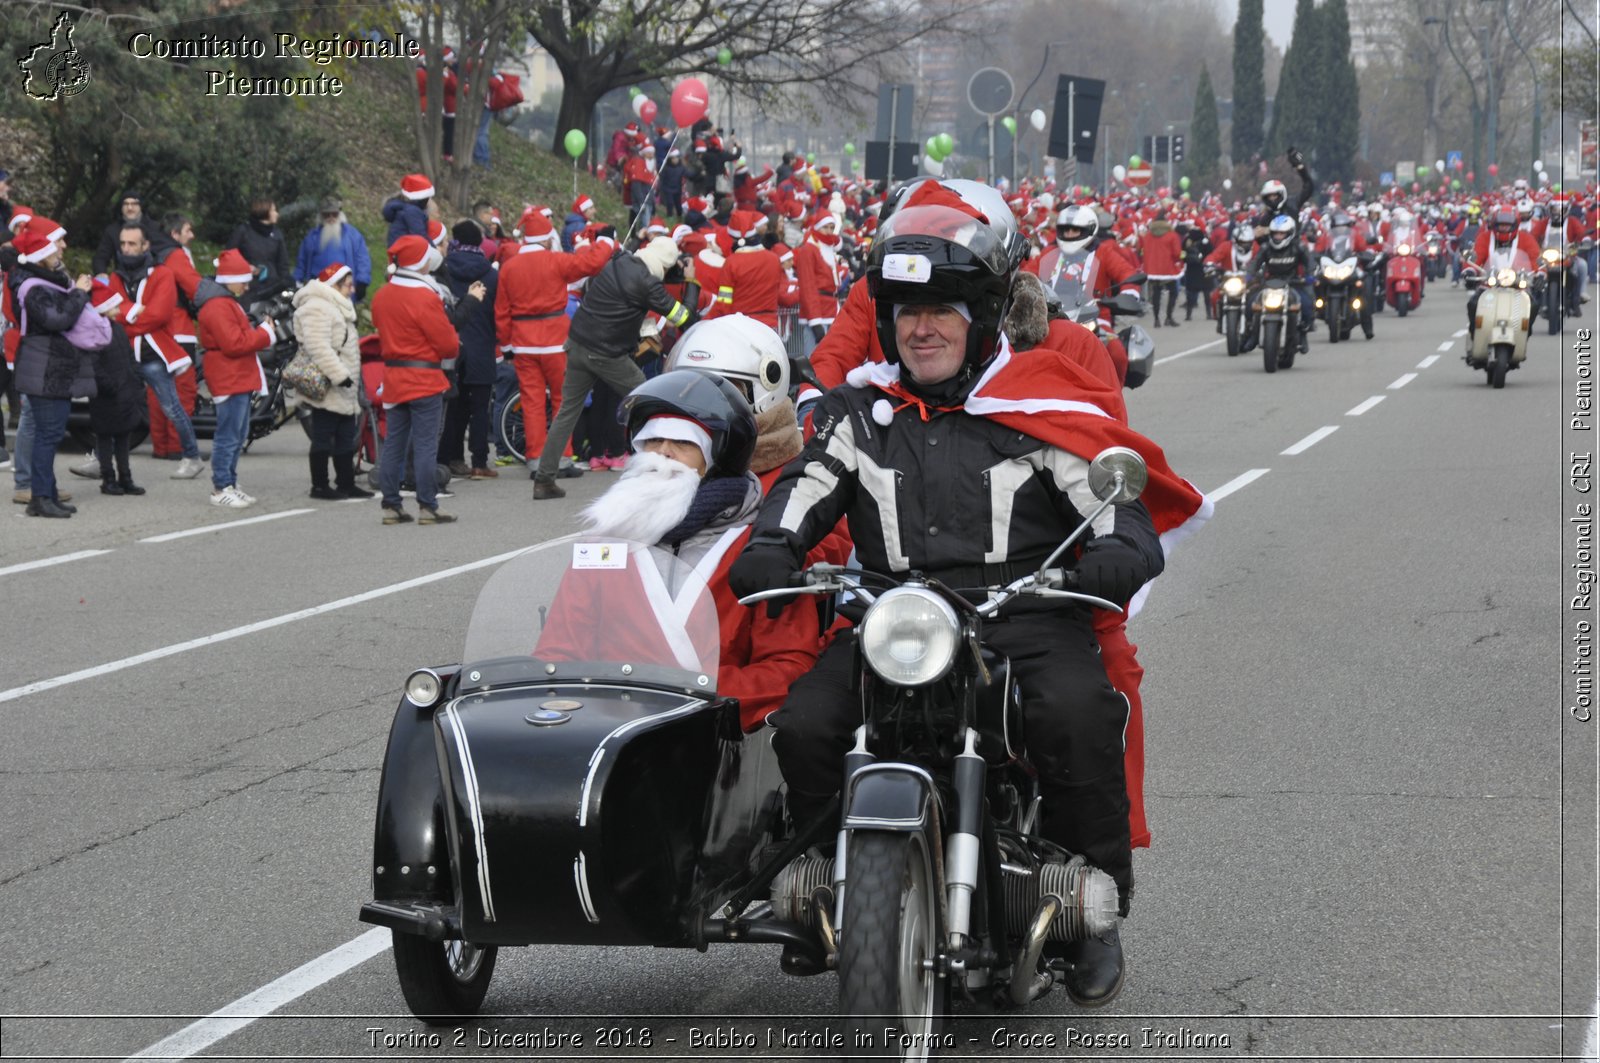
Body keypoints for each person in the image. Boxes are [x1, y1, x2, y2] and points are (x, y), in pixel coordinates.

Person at [727, 183, 1209, 1005]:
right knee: (806, 723)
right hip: (894, 619)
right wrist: (772, 542)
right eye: (907, 309)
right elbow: (806, 487)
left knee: (1077, 713)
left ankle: (1090, 909)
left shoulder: (1038, 404)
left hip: (1019, 615)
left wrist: (1118, 551)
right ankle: (825, 887)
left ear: (984, 313)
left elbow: (1111, 502)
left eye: (944, 307)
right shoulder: (860, 413)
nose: (922, 326)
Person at [542, 369, 823, 731]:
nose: (662, 454)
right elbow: (558, 655)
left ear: (717, 459)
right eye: (651, 440)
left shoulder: (761, 550)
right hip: (609, 735)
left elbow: (787, 668)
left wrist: (689, 694)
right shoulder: (600, 547)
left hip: (713, 741)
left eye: (683, 443)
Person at [532, 236, 695, 500]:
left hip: (577, 343)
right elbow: (684, 317)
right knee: (649, 398)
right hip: (606, 352)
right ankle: (660, 469)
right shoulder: (647, 283)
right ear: (664, 264)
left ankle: (544, 479)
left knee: (566, 414)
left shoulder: (617, 262)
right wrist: (690, 282)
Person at [495, 208, 612, 479]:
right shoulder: (555, 261)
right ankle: (560, 458)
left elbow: (501, 311)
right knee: (563, 400)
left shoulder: (509, 267)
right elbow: (590, 265)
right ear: (547, 239)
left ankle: (536, 458)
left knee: (532, 401)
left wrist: (506, 344)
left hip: (523, 342)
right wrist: (605, 241)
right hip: (555, 341)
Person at [9, 226, 104, 517]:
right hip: (45, 367)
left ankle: (47, 493)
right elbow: (56, 320)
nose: (63, 247)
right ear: (41, 252)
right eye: (57, 243)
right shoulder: (33, 287)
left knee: (48, 433)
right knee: (48, 435)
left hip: (52, 366)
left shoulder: (43, 281)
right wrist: (78, 294)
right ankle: (40, 499)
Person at [101, 222, 207, 479]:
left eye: (132, 244)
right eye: (122, 244)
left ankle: (191, 456)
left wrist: (125, 316)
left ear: (145, 245)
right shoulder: (115, 277)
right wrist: (136, 313)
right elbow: (108, 310)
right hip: (124, 353)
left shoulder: (162, 274)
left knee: (172, 407)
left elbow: (159, 315)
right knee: (111, 406)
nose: (125, 249)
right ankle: (100, 458)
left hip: (153, 354)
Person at [371, 235, 460, 524]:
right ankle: (427, 505)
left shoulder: (383, 295)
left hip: (395, 377)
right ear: (422, 262)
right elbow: (448, 345)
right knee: (424, 445)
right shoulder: (425, 296)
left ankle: (391, 505)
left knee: (394, 442)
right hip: (424, 377)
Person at [196, 250, 275, 507]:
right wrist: (264, 334)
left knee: (237, 432)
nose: (246, 284)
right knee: (229, 434)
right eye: (242, 278)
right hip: (229, 372)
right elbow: (234, 343)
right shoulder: (218, 305)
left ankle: (229, 481)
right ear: (229, 278)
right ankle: (221, 487)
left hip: (234, 373)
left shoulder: (223, 302)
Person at [293, 262, 373, 500]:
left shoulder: (337, 306)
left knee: (345, 436)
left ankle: (346, 483)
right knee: (323, 437)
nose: (352, 290)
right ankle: (319, 486)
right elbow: (318, 347)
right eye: (348, 285)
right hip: (329, 384)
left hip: (343, 385)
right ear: (335, 285)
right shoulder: (317, 307)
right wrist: (340, 375)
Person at [441, 220, 501, 479]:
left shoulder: (444, 270)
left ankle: (451, 458)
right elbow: (498, 311)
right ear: (480, 242)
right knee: (479, 408)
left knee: (452, 407)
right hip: (482, 345)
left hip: (453, 346)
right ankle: (479, 462)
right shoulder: (491, 274)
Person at [84, 281, 147, 496]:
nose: (119, 311)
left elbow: (129, 357)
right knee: (105, 437)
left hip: (125, 391)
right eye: (115, 307)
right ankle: (108, 478)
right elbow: (94, 363)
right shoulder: (94, 331)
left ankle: (125, 477)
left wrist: (136, 377)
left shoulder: (118, 329)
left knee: (123, 436)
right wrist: (108, 386)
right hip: (106, 394)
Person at [1243, 214, 1315, 354]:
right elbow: (1254, 263)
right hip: (1270, 284)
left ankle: (1302, 334)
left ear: (1289, 233)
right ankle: (1252, 334)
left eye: (1281, 233)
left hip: (1293, 283)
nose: (1278, 236)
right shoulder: (1265, 248)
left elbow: (1310, 262)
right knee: (1251, 303)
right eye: (1275, 233)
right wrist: (1248, 276)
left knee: (1307, 305)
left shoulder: (1299, 247)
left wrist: (1311, 275)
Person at [1464, 207, 1543, 336]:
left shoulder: (1526, 238)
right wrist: (1470, 271)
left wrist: (1540, 274)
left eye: (1507, 226)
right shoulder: (1484, 237)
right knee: (1473, 304)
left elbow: (1535, 258)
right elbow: (1476, 256)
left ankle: (1524, 333)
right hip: (1489, 285)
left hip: (1518, 286)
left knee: (1532, 305)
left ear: (1515, 225)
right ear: (1494, 225)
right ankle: (1475, 334)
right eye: (1501, 226)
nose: (1504, 229)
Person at [294, 198, 373, 300]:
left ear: (340, 214)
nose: (331, 218)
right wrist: (296, 280)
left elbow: (362, 258)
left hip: (343, 289)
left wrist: (362, 281)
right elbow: (301, 262)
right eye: (327, 215)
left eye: (334, 214)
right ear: (321, 216)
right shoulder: (312, 237)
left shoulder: (352, 235)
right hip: (318, 289)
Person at [225, 198, 294, 305]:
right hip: (248, 289)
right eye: (274, 210)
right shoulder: (243, 231)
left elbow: (283, 264)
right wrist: (246, 267)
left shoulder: (277, 234)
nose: (277, 214)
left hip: (272, 288)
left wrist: (286, 284)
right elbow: (228, 257)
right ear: (264, 211)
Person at [92, 191, 158, 275]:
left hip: (150, 276)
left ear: (140, 206)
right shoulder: (112, 230)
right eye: (126, 204)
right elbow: (101, 257)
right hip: (122, 276)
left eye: (134, 204)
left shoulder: (154, 228)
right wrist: (101, 274)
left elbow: (162, 255)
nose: (130, 208)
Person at [384, 175, 434, 246]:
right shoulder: (412, 211)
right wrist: (434, 250)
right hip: (406, 252)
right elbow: (420, 236)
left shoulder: (404, 208)